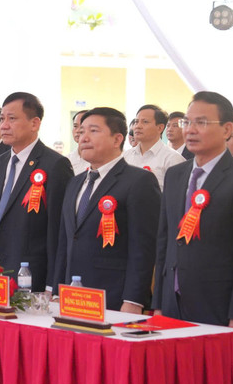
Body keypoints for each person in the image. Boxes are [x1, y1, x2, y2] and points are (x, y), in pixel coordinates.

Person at [153, 92, 233, 334]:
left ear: (227, 130)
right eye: (187, 122)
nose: (190, 130)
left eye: (201, 122)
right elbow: (164, 242)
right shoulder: (175, 175)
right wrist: (159, 305)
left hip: (218, 306)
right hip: (171, 304)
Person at [52, 108, 160, 311]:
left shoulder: (139, 181)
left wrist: (133, 300)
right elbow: (65, 242)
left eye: (93, 131)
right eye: (81, 131)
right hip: (72, 295)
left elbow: (143, 248)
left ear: (117, 139)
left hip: (113, 296)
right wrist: (57, 291)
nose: (83, 138)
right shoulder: (75, 183)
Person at [0, 92, 72, 291]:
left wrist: (53, 284)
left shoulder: (55, 164)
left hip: (30, 274)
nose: (4, 125)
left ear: (34, 124)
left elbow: (57, 230)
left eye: (12, 119)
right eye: (2, 119)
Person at [122, 104, 184, 190]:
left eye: (145, 122)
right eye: (136, 122)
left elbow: (176, 195)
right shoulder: (126, 156)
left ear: (160, 128)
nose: (138, 126)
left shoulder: (172, 159)